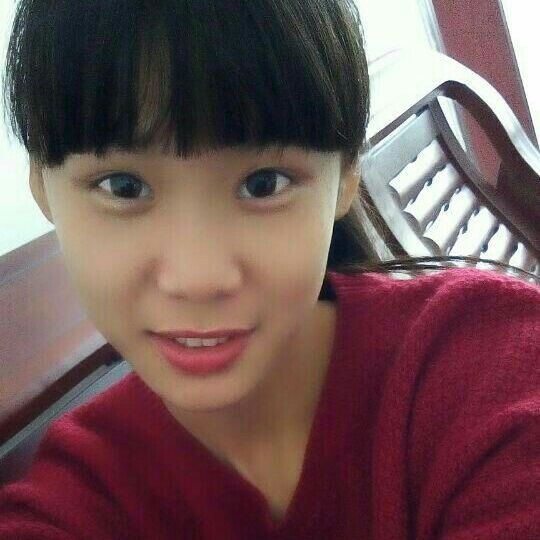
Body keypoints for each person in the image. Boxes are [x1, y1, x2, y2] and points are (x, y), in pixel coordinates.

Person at [0, 0, 538, 538]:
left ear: (346, 174)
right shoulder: (77, 498)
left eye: (263, 184)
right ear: (42, 188)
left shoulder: (482, 362)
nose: (198, 279)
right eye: (123, 187)